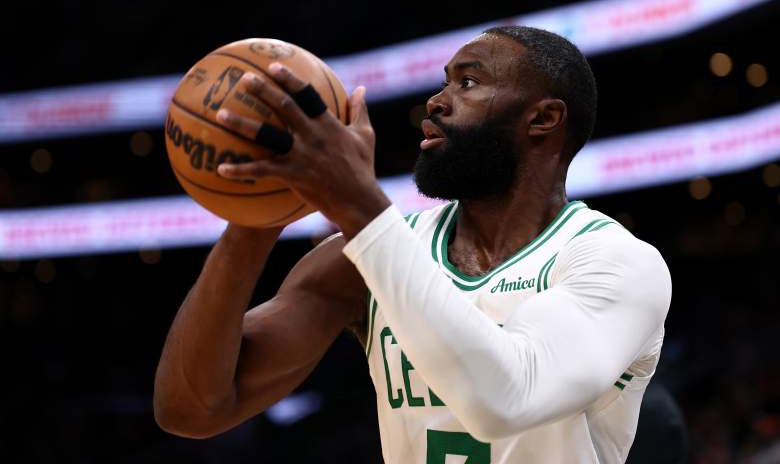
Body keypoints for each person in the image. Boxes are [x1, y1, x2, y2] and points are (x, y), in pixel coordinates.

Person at [153, 25, 672, 463]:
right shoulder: (358, 263)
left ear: (542, 119)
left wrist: (356, 202)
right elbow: (191, 409)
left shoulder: (616, 261)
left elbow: (507, 400)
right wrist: (257, 216)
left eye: (468, 82)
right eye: (443, 81)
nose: (437, 100)